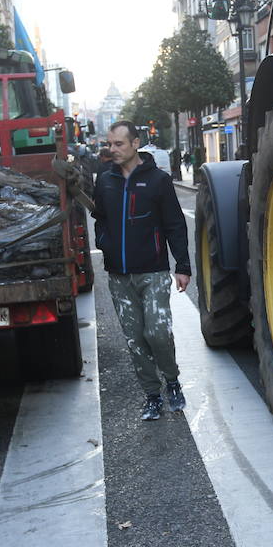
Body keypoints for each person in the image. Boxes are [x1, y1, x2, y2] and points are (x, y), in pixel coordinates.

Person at [92, 121, 191, 421]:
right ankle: (152, 396)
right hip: (119, 277)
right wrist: (104, 243)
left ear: (135, 144)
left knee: (157, 332)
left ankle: (171, 381)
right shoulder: (105, 181)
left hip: (153, 272)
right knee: (135, 339)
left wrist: (182, 266)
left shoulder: (159, 180)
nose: (112, 150)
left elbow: (175, 224)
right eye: (110, 144)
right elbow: (100, 219)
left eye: (118, 144)